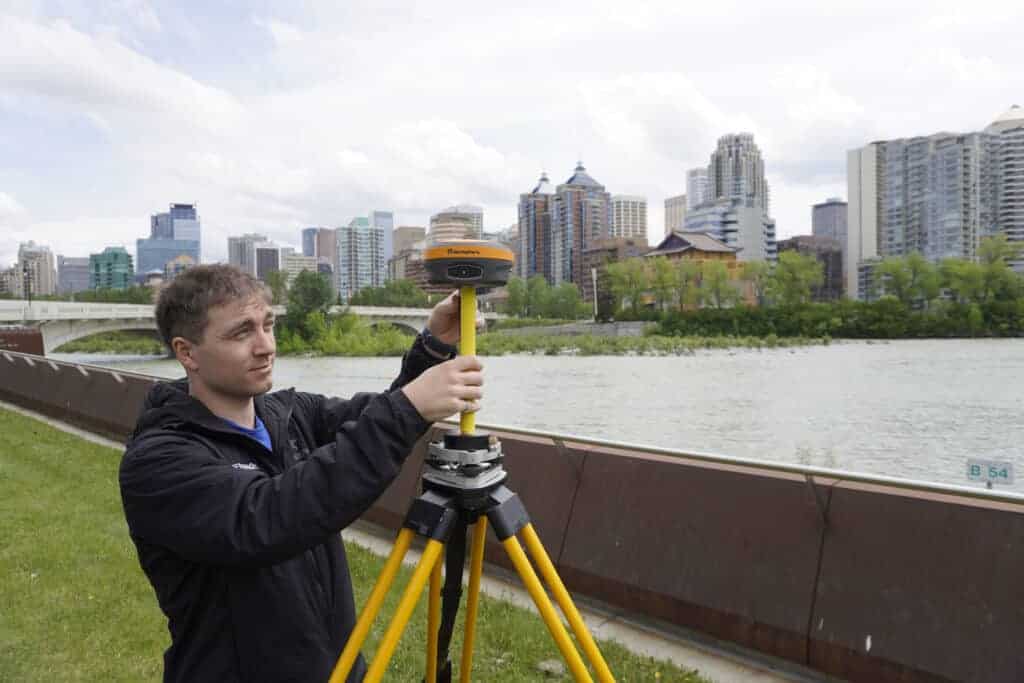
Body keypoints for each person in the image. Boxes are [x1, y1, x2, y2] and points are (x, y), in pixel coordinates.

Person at [119, 264, 484, 682]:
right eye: (242, 333)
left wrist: (433, 347)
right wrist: (407, 409)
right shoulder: (159, 461)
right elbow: (267, 517)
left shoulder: (289, 415)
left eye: (268, 325)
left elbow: (373, 420)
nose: (265, 346)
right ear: (187, 353)